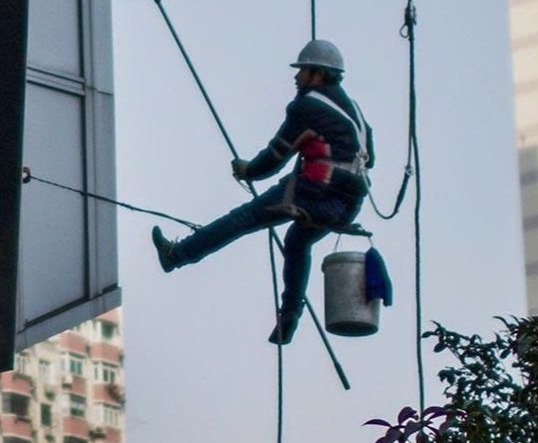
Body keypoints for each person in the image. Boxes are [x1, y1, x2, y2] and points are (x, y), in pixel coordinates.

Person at [151, 39, 374, 344]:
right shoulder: (354, 112)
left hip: (313, 192)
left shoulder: (307, 106)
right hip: (348, 204)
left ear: (318, 75)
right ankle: (289, 318)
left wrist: (247, 170)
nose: (296, 78)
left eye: (302, 71)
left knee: (244, 218)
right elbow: (368, 156)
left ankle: (176, 255)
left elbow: (276, 156)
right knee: (297, 241)